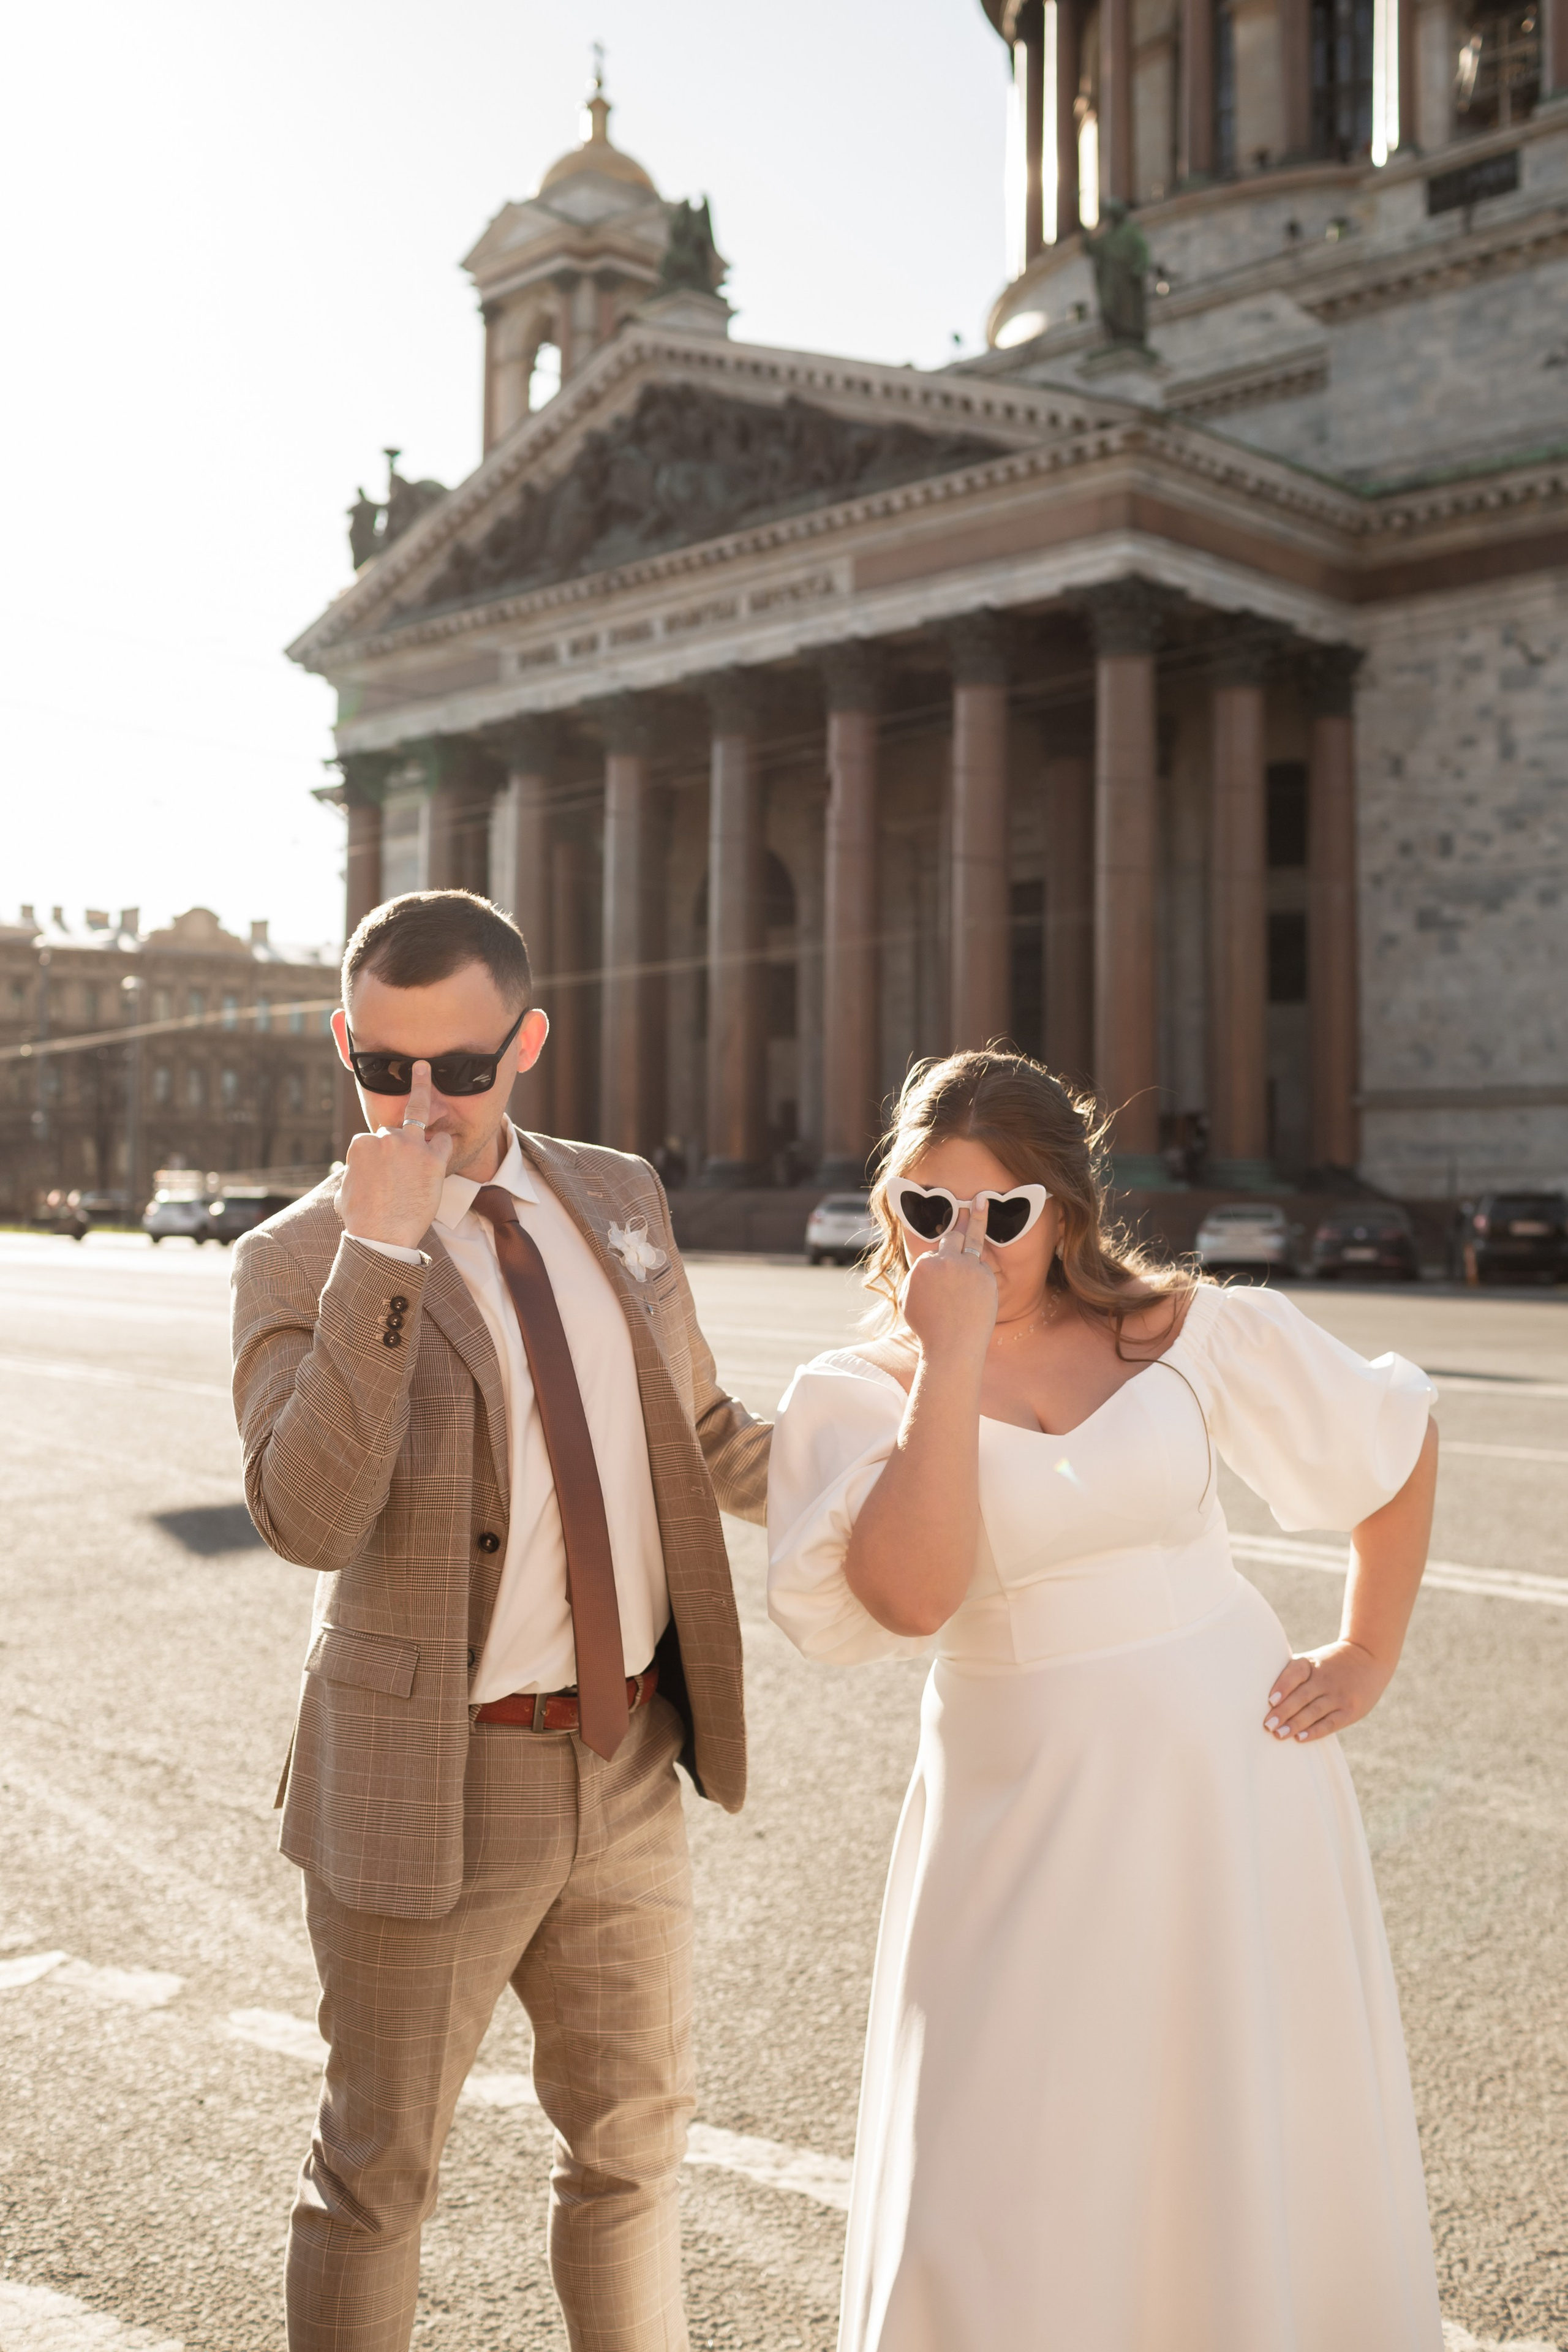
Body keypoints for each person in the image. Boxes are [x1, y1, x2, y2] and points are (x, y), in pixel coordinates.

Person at [766, 1049, 1442, 2352]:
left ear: (1065, 1210)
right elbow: (910, 1598)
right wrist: (949, 1358)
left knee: (1236, 2124)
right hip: (1022, 1817)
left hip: (1234, 1794)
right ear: (892, 1209)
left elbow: (1395, 1440)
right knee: (1004, 2158)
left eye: (1002, 1213)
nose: (963, 1242)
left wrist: (1367, 1651)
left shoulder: (1184, 1331)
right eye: (928, 1208)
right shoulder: (856, 1392)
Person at [230, 888, 769, 2352]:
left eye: (461, 1069)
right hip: (424, 1782)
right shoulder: (293, 1258)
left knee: (632, 2157)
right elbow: (307, 1518)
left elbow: (700, 1429)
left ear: (526, 1044)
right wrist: (382, 1256)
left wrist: (894, 1472)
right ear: (343, 1045)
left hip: (622, 1755)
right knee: (375, 2180)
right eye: (383, 1068)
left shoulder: (618, 1196)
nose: (420, 1107)